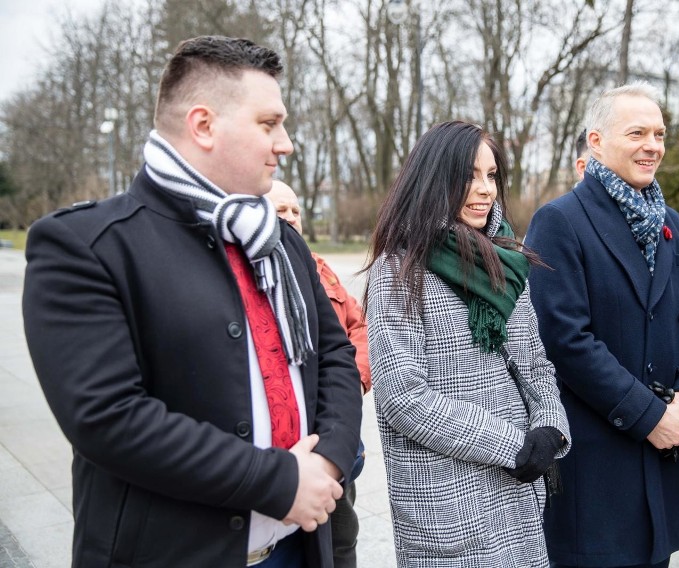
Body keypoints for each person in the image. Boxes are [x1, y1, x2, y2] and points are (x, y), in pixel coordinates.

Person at [21, 36, 362, 568]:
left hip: (301, 547)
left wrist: (330, 462)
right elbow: (108, 417)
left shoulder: (281, 239)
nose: (286, 143)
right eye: (269, 124)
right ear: (203, 125)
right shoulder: (87, 246)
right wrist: (278, 481)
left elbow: (335, 354)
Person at [525, 82, 679, 568]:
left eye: (660, 134)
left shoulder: (669, 220)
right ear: (596, 141)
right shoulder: (560, 220)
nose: (653, 145)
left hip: (666, 446)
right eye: (637, 133)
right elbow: (567, 340)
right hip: (601, 456)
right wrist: (648, 416)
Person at [365, 120, 571, 567]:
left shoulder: (505, 261)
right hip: (449, 502)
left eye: (491, 175)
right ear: (435, 179)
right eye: (469, 176)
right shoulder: (399, 271)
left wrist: (551, 429)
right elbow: (404, 397)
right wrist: (511, 444)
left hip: (518, 491)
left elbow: (536, 363)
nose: (485, 189)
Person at [266, 180, 368, 568]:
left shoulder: (320, 268)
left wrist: (354, 379)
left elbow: (358, 328)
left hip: (336, 437)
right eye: (280, 210)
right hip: (287, 450)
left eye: (294, 211)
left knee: (342, 537)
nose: (290, 218)